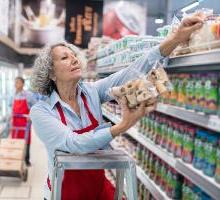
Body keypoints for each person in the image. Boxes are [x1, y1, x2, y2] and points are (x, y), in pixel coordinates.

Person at [29, 15, 204, 200]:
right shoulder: (42, 111)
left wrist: (175, 38)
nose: (74, 60)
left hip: (97, 188)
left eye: (74, 56)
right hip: (63, 193)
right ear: (51, 73)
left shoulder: (92, 92)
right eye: (65, 58)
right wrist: (120, 127)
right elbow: (73, 144)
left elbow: (132, 71)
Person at [11, 77, 36, 166]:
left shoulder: (28, 95)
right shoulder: (13, 94)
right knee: (15, 139)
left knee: (26, 140)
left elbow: (35, 106)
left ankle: (26, 159)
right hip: (15, 121)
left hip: (25, 122)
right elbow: (11, 106)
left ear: (22, 84)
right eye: (15, 82)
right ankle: (16, 158)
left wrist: (31, 115)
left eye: (17, 82)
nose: (15, 84)